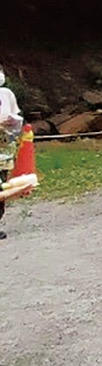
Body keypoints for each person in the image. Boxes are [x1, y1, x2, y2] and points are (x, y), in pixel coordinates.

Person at [0, 64, 25, 239]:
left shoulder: (7, 94)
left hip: (4, 148)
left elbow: (17, 116)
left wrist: (13, 123)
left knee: (2, 187)